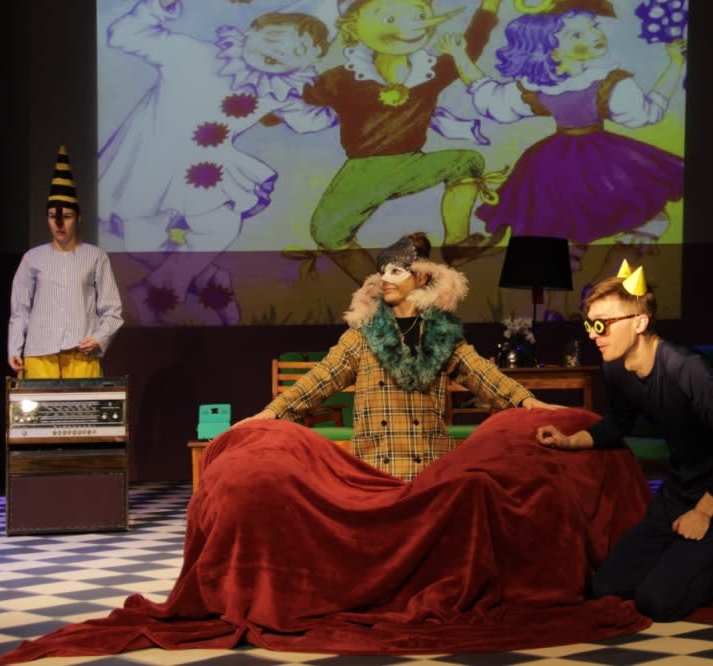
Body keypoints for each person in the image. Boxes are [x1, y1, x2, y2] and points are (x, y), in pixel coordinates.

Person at [535, 261, 713, 620]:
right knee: (605, 587)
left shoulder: (687, 369)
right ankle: (683, 564)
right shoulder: (615, 367)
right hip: (677, 495)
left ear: (639, 322)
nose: (593, 334)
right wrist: (570, 440)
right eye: (589, 325)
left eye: (602, 324)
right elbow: (619, 423)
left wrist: (703, 512)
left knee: (657, 603)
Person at [236, 230, 559, 479]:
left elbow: (483, 374)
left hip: (431, 467)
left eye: (396, 271)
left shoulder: (441, 334)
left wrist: (525, 400)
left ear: (421, 277)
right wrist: (272, 412)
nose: (385, 279)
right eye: (383, 271)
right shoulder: (363, 334)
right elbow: (320, 379)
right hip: (376, 468)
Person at [101, 0, 337, 325]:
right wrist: (157, 6)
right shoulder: (192, 53)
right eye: (273, 38)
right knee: (142, 246)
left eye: (298, 51)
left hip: (207, 169)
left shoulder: (280, 89)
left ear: (311, 61)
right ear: (251, 31)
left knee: (218, 226)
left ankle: (156, 294)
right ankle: (211, 281)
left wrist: (344, 104)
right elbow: (126, 35)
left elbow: (308, 121)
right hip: (150, 163)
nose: (280, 51)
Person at [438, 1, 685, 286]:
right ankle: (567, 283)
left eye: (593, 27)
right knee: (559, 223)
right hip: (569, 165)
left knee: (630, 214)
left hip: (582, 160)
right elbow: (491, 96)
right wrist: (459, 54)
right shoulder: (547, 86)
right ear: (552, 50)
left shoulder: (605, 83)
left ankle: (602, 279)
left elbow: (646, 113)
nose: (595, 35)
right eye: (576, 34)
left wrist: (675, 64)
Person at [297, 0, 510, 287]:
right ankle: (381, 293)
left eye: (420, 14)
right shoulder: (340, 78)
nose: (410, 25)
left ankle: (457, 243)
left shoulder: (430, 72)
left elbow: (470, 46)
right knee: (327, 232)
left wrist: (490, 7)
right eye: (389, 17)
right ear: (354, 27)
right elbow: (298, 98)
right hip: (364, 171)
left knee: (466, 160)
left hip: (411, 163)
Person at [8, 146, 124, 379]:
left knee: (82, 403)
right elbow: (20, 309)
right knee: (40, 403)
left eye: (67, 217)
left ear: (78, 219)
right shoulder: (33, 258)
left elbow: (112, 310)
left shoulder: (95, 256)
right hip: (40, 353)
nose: (59, 224)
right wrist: (14, 347)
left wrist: (99, 338)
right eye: (53, 217)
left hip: (81, 352)